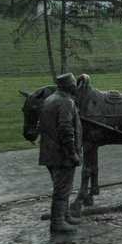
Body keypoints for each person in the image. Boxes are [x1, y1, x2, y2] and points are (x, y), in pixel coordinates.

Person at [38, 72, 82, 235]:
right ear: (68, 86)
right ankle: (58, 223)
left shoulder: (50, 99)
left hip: (49, 152)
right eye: (73, 84)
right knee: (62, 189)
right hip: (62, 154)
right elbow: (65, 129)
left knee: (62, 187)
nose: (75, 87)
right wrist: (72, 153)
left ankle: (65, 216)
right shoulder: (66, 102)